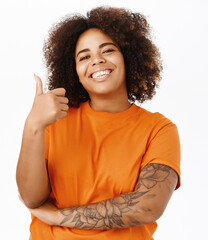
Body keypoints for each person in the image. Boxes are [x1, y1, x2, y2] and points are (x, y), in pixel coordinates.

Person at [16, 6, 181, 240]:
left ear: (128, 56)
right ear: (74, 69)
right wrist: (33, 124)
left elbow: (147, 206)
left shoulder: (159, 129)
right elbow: (32, 198)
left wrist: (57, 217)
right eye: (84, 57)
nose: (97, 61)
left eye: (108, 50)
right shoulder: (54, 121)